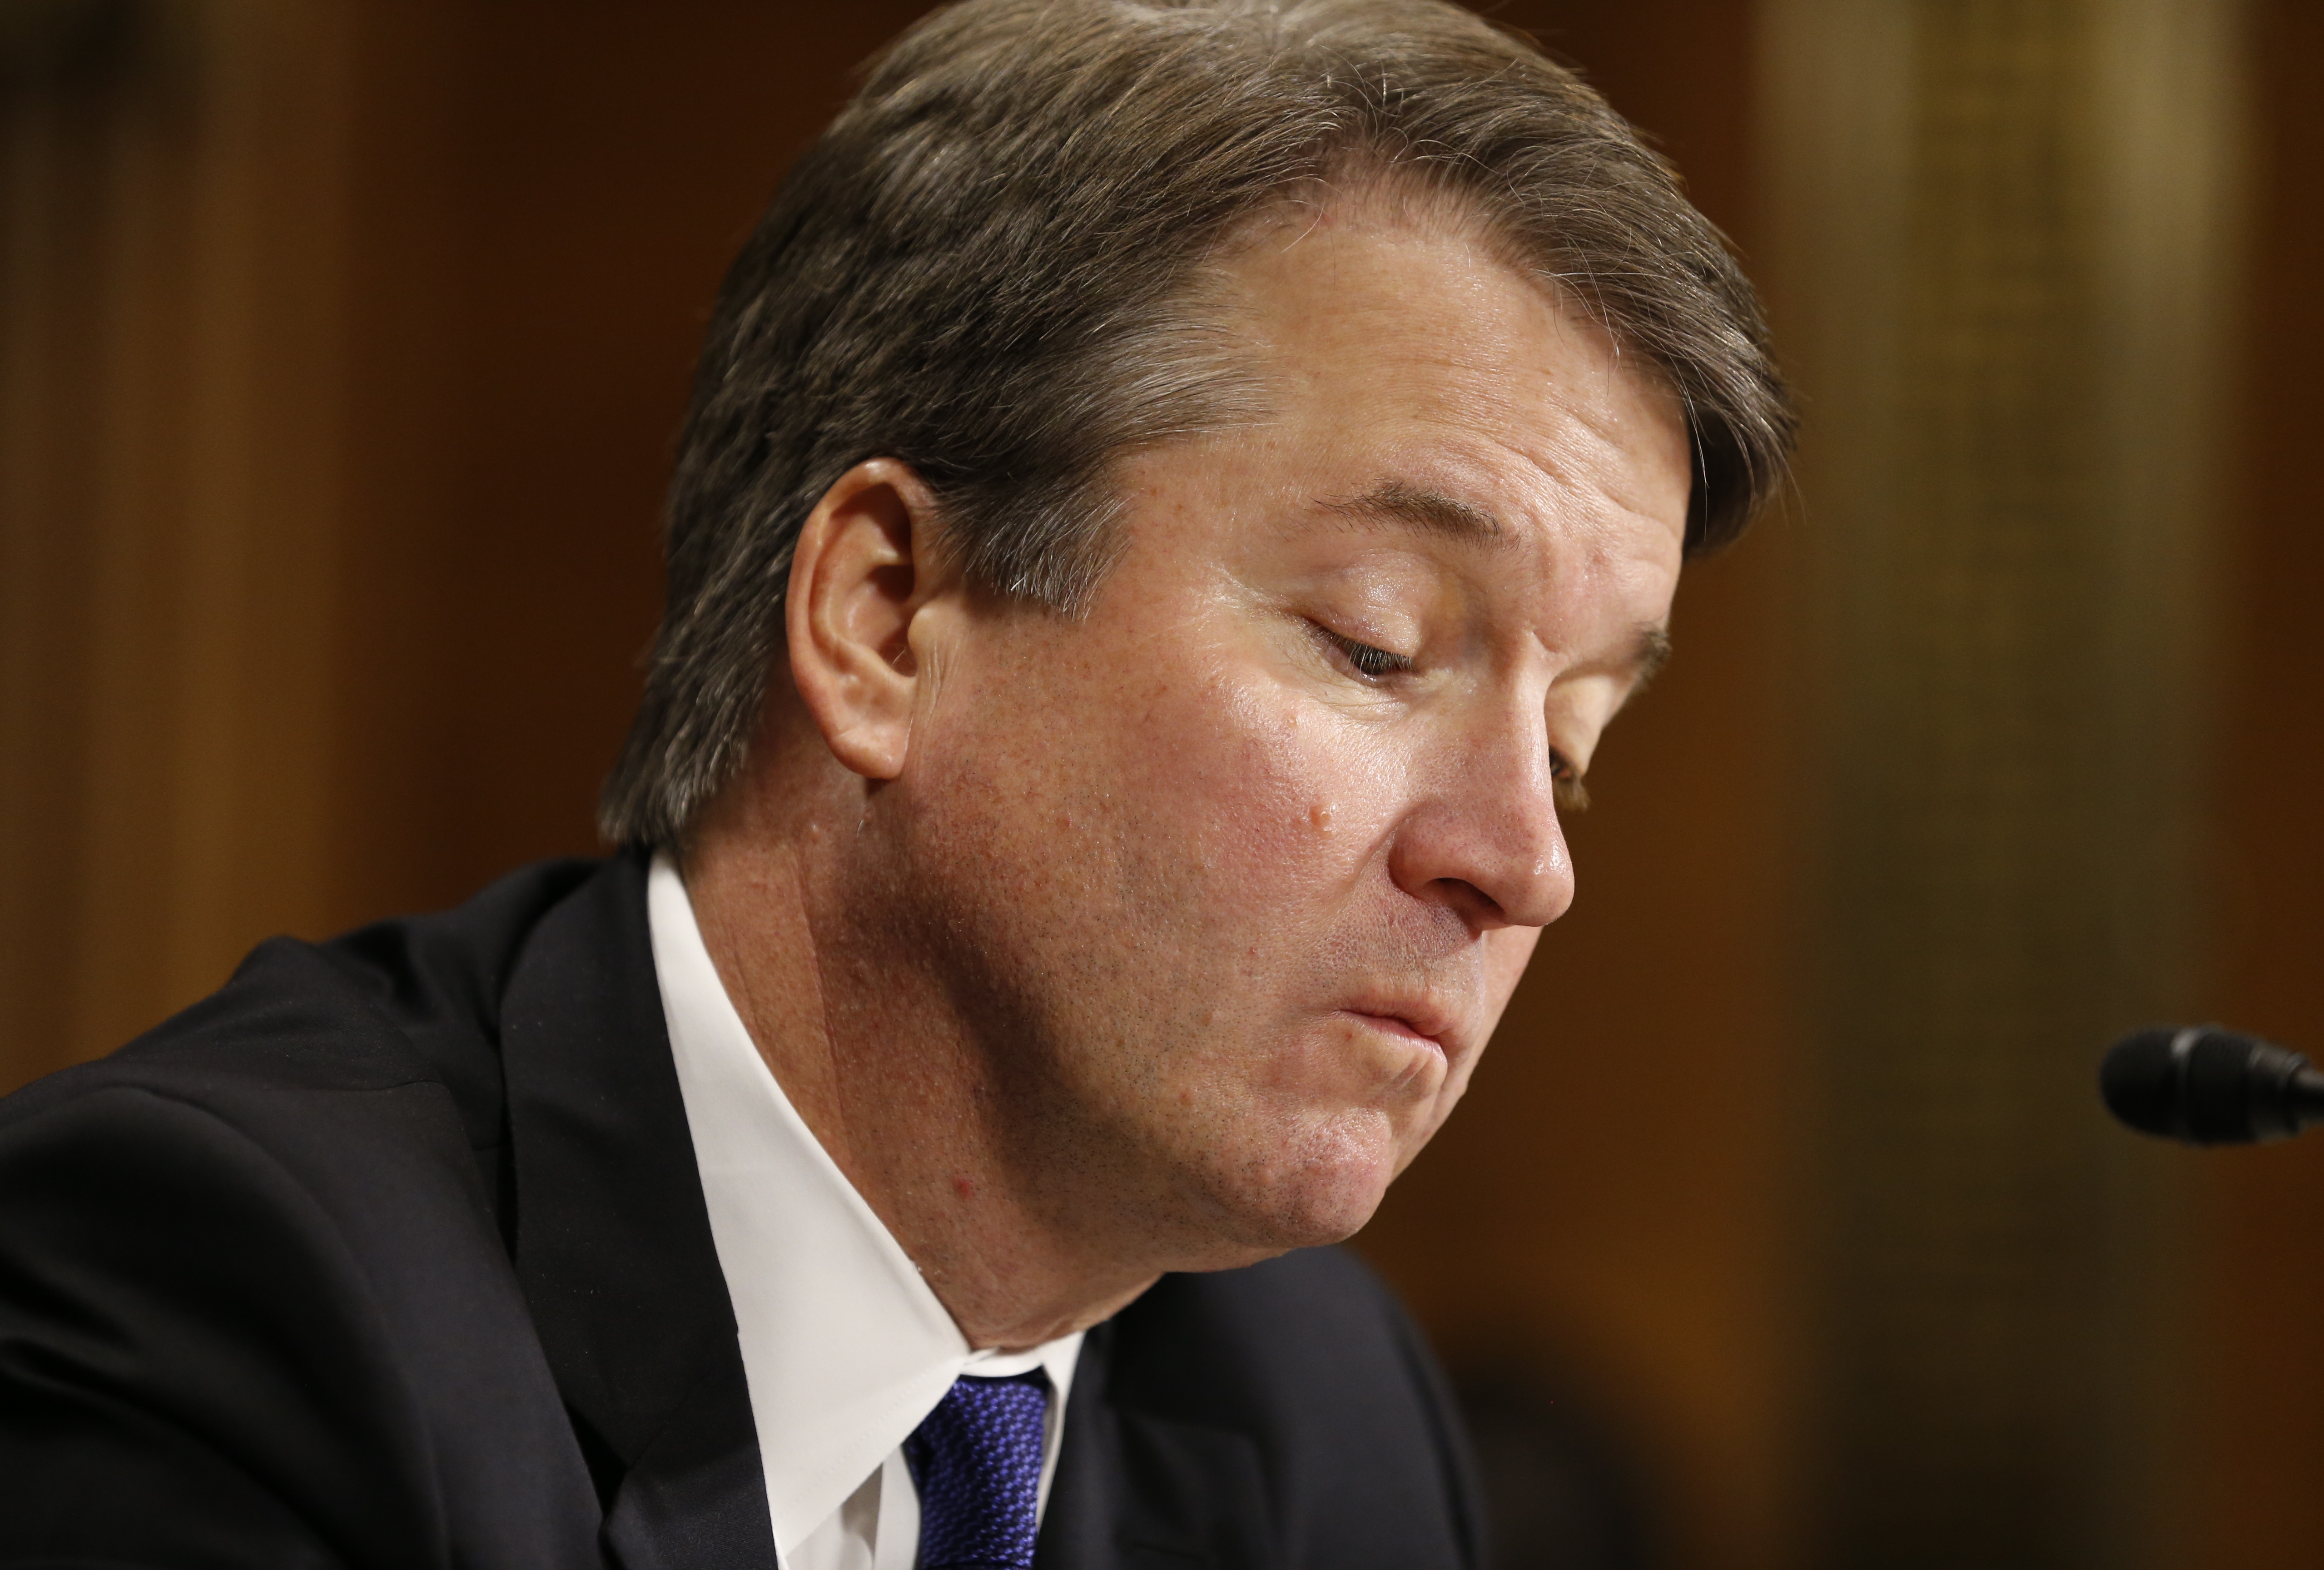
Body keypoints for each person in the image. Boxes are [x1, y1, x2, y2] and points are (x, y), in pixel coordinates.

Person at [0, 0, 1791, 1565]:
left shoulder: (1318, 1414)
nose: (1526, 862)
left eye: (1575, 743)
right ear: (887, 614)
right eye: (1381, 644)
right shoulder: (225, 1296)